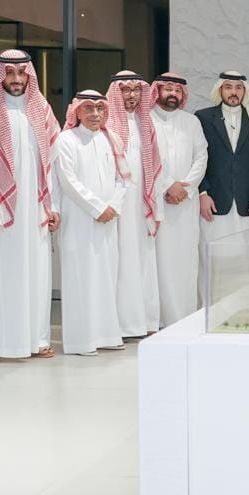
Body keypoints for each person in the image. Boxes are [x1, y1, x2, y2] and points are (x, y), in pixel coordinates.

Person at [0, 48, 60, 363]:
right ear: (0, 76)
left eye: (22, 73)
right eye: (9, 73)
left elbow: (53, 163)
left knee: (36, 272)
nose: (16, 79)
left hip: (35, 207)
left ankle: (37, 339)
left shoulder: (42, 110)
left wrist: (53, 206)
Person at [54, 90, 128, 356]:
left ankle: (107, 335)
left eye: (100, 109)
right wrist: (97, 208)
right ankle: (81, 341)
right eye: (89, 109)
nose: (95, 114)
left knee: (107, 276)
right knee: (81, 277)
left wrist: (114, 206)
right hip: (79, 219)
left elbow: (124, 177)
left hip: (108, 219)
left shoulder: (112, 139)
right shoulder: (66, 139)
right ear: (77, 112)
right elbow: (67, 180)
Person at [196, 70, 249, 302]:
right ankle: (211, 308)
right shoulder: (203, 117)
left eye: (238, 88)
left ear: (245, 91)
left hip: (247, 203)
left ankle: (244, 306)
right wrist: (202, 193)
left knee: (246, 259)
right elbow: (197, 158)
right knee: (212, 258)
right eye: (228, 87)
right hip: (215, 202)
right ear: (220, 89)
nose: (233, 92)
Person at [105, 70, 163, 338]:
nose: (131, 95)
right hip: (117, 205)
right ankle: (120, 324)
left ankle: (144, 321)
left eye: (136, 90)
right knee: (120, 259)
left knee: (142, 259)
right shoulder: (107, 124)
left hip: (141, 204)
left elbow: (153, 166)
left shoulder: (144, 122)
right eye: (125, 90)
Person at [148, 73, 208, 325]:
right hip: (157, 202)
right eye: (167, 89)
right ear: (157, 91)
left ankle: (184, 318)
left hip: (185, 204)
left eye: (177, 90)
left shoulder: (191, 122)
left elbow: (201, 156)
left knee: (186, 259)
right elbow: (147, 158)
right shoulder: (146, 120)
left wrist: (186, 187)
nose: (172, 93)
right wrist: (168, 185)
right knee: (158, 261)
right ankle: (159, 320)